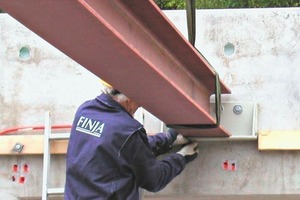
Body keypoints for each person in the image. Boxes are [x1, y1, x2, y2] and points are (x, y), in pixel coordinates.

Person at [64, 81, 198, 200]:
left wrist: (168, 139)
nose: (139, 106)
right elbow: (154, 179)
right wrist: (182, 157)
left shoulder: (85, 110)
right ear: (128, 97)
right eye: (139, 100)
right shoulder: (128, 129)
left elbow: (125, 148)